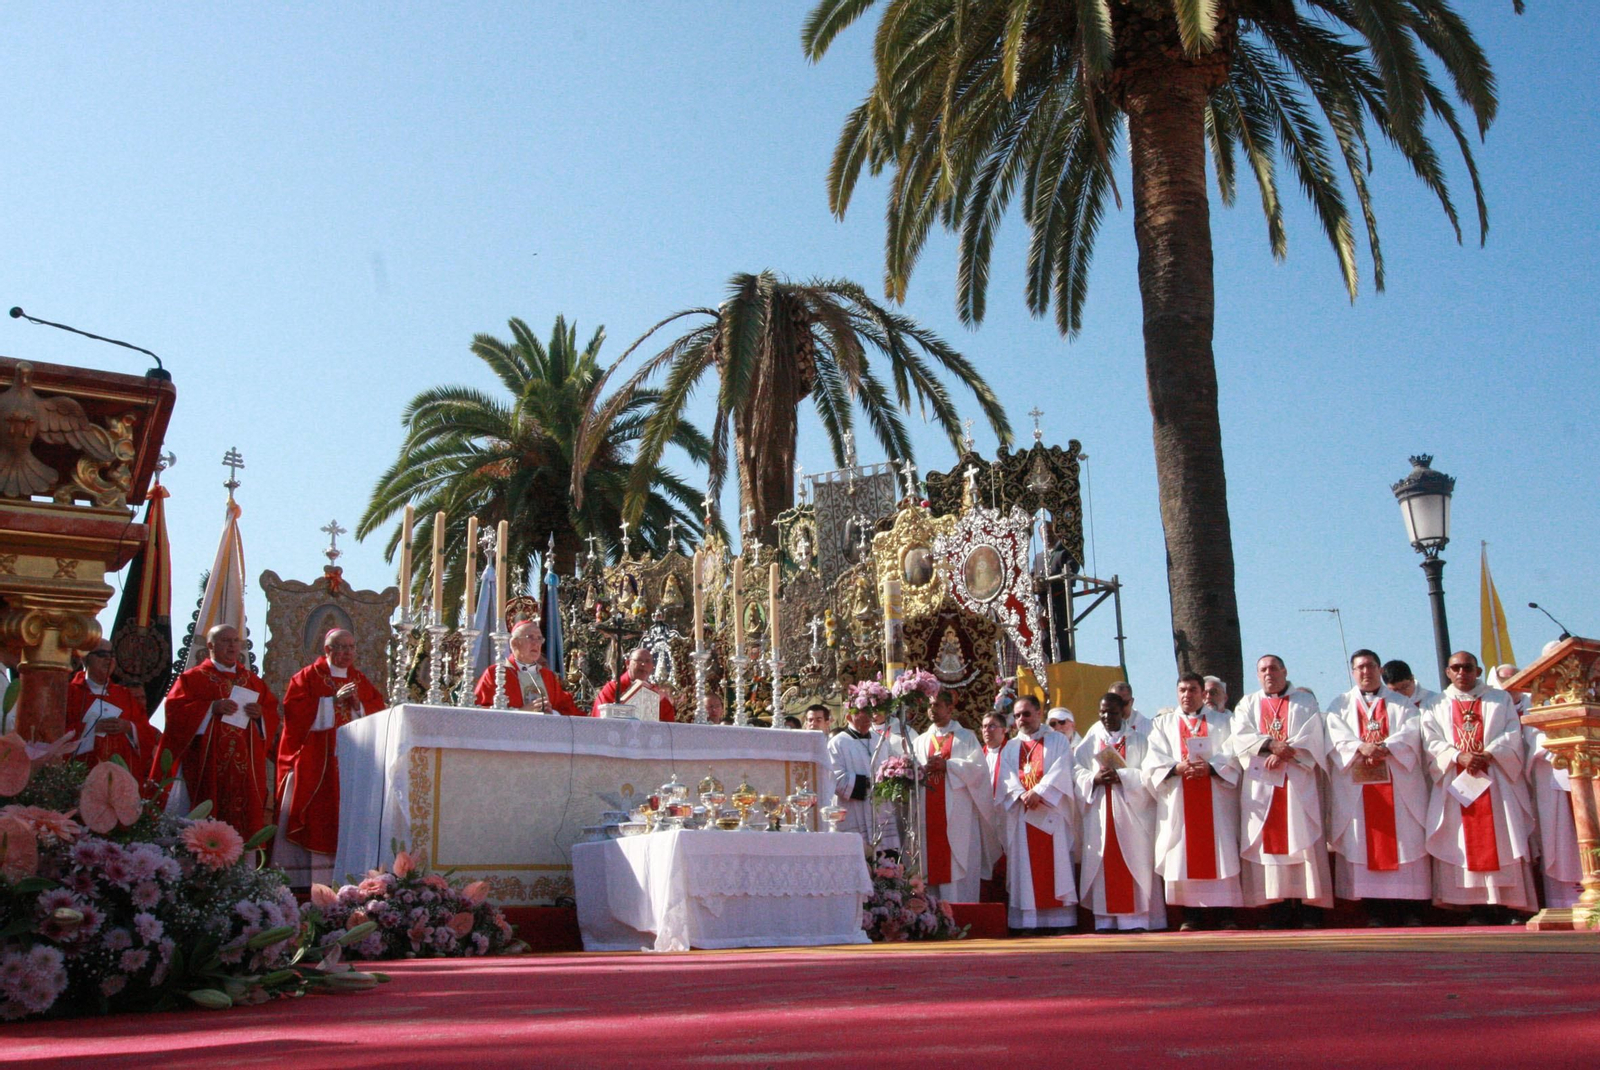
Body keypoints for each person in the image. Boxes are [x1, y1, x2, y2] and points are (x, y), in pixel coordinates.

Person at [1421, 651, 1537, 922]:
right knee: (1458, 838)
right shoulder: (1435, 704)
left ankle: (1506, 905)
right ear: (1448, 672)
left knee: (1503, 838)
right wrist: (1457, 755)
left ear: (1479, 670)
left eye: (1467, 667)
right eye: (1456, 668)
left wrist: (1488, 754)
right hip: (1455, 781)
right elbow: (1430, 740)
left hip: (1495, 779)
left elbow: (1512, 734)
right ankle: (1472, 908)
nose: (1462, 672)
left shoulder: (1499, 699)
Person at [1324, 649, 1431, 926]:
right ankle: (1375, 912)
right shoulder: (1340, 705)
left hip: (1397, 785)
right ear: (1352, 671)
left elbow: (1410, 734)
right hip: (1359, 788)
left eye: (1370, 666)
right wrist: (1361, 746)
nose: (1365, 672)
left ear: (1379, 668)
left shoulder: (1400, 703)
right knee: (1363, 844)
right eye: (1359, 667)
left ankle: (1409, 910)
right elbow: (1335, 738)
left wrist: (1385, 747)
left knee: (1404, 844)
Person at [273, 629, 386, 887]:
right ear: (327, 650)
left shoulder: (359, 680)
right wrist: (332, 702)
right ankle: (305, 882)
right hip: (316, 763)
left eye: (351, 647)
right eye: (341, 647)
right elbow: (295, 716)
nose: (347, 653)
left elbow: (378, 712)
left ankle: (349, 880)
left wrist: (358, 705)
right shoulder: (307, 677)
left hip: (352, 763)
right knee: (317, 817)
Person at [1231, 655, 1332, 926]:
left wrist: (1288, 752)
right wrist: (1269, 745)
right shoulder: (1248, 704)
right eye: (1263, 669)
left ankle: (1309, 911)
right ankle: (1277, 911)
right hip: (1263, 783)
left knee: (1303, 841)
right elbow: (1240, 737)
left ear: (1285, 670)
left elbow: (1313, 735)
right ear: (1257, 675)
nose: (1268, 673)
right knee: (1269, 846)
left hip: (1297, 782)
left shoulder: (1304, 701)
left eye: (1273, 668)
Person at [154, 625, 280, 839]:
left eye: (235, 641)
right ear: (210, 645)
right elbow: (175, 714)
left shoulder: (252, 681)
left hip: (244, 769)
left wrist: (260, 715)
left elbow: (271, 713)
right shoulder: (193, 679)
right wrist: (210, 708)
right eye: (225, 641)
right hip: (208, 763)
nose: (232, 645)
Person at [1144, 672, 1242, 930]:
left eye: (1192, 690)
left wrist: (1211, 767)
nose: (1187, 695)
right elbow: (1152, 760)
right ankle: (1191, 915)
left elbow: (1233, 753)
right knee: (1182, 852)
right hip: (1179, 797)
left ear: (1202, 693)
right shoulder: (1162, 725)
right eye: (1183, 690)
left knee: (1220, 851)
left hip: (1215, 796)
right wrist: (1176, 767)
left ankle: (1225, 914)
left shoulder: (1224, 721)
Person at [1075, 692, 1165, 932]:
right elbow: (1075, 770)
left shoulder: (1139, 740)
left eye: (1112, 712)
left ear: (1123, 711)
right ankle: (1105, 920)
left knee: (1134, 861)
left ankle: (1135, 920)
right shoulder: (1091, 741)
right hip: (1101, 811)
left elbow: (1150, 773)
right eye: (1102, 712)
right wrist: (1093, 778)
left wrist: (1122, 776)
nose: (1106, 717)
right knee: (1103, 862)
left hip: (1132, 815)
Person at [997, 695, 1078, 932]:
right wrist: (1021, 794)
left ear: (1039, 713)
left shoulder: (1057, 741)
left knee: (1056, 865)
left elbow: (1062, 770)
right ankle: (1028, 922)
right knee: (1025, 867)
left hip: (1050, 813)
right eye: (1018, 715)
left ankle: (1059, 921)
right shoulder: (1010, 747)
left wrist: (1040, 792)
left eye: (1027, 713)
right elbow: (1006, 776)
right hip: (1023, 814)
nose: (1022, 719)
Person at [913, 690, 988, 902]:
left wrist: (949, 765)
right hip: (929, 811)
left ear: (950, 709)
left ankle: (960, 907)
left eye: (937, 705)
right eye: (929, 706)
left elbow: (979, 770)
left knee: (956, 858)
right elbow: (913, 769)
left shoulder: (966, 737)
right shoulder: (920, 740)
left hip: (957, 811)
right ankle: (932, 911)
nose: (932, 710)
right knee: (930, 860)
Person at [65, 640, 157, 771]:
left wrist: (128, 727)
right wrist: (92, 728)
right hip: (82, 771)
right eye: (102, 654)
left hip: (120, 773)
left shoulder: (124, 695)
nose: (109, 659)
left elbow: (147, 732)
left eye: (112, 654)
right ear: (86, 658)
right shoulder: (70, 693)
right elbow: (55, 735)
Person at [827, 703, 903, 850]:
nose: (868, 717)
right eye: (861, 714)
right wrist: (870, 783)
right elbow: (835, 778)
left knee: (887, 859)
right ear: (849, 717)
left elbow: (892, 764)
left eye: (869, 713)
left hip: (881, 808)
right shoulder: (837, 743)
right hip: (853, 809)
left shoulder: (880, 740)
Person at [474, 620, 583, 715]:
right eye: (530, 637)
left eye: (539, 638)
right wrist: (520, 713)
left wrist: (553, 713)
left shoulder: (547, 676)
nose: (536, 643)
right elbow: (478, 712)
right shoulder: (496, 674)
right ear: (514, 643)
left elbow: (567, 710)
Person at [590, 646, 675, 722]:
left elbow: (668, 724)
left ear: (652, 667)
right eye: (639, 660)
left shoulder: (655, 693)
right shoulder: (613, 689)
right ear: (627, 663)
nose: (643, 664)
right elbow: (602, 719)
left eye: (647, 661)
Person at [977, 709, 1010, 902]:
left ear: (1003, 730)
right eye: (983, 727)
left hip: (1005, 815)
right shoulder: (977, 757)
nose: (987, 730)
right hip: (985, 818)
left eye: (992, 726)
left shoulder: (1012, 752)